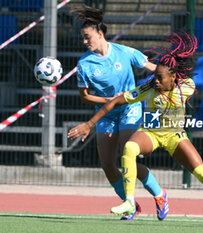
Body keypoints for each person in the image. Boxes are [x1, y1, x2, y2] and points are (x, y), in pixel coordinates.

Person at [68, 31, 203, 224]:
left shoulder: (187, 86)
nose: (156, 81)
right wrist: (89, 124)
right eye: (155, 77)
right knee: (129, 148)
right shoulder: (149, 88)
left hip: (175, 135)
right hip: (151, 133)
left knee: (202, 173)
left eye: (160, 78)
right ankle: (129, 201)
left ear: (173, 77)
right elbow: (114, 102)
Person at [70, 5, 168, 221]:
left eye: (87, 37)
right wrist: (109, 101)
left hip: (130, 109)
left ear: (100, 33)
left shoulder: (125, 52)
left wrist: (172, 79)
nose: (84, 42)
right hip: (106, 113)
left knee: (128, 156)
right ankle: (130, 205)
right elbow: (84, 96)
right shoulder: (84, 64)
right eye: (82, 38)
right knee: (107, 166)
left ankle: (160, 195)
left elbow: (155, 69)